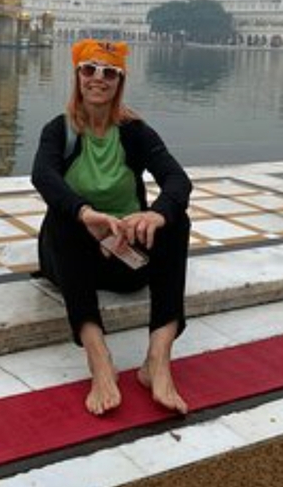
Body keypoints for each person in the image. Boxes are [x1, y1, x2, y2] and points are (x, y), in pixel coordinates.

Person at [31, 38, 192, 417]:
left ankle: (158, 359)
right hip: (71, 257)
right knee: (63, 216)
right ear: (78, 77)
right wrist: (86, 213)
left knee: (176, 221)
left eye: (109, 73)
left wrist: (156, 213)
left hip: (125, 257)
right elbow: (43, 175)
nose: (98, 79)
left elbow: (177, 179)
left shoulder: (134, 131)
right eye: (89, 70)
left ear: (119, 82)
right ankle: (99, 358)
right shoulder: (61, 131)